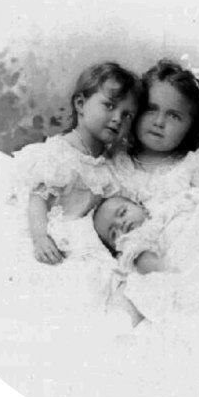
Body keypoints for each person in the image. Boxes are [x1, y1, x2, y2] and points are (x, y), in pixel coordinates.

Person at [12, 61, 142, 264]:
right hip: (55, 235)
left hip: (87, 243)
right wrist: (40, 238)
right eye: (109, 106)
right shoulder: (60, 154)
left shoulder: (112, 163)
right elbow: (38, 199)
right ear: (80, 104)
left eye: (127, 115)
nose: (118, 119)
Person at [93, 191, 199, 325]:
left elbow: (193, 201)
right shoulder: (131, 248)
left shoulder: (164, 209)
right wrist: (142, 257)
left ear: (140, 206)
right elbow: (148, 270)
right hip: (177, 268)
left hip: (197, 236)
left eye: (123, 212)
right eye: (114, 232)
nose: (122, 223)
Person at [111, 58, 199, 213]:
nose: (159, 122)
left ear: (191, 126)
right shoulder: (115, 161)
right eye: (150, 109)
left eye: (173, 116)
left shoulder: (197, 167)